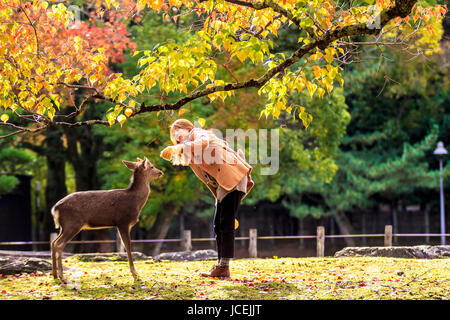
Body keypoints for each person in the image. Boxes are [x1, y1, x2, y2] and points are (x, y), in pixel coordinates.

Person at [160, 119, 254, 278]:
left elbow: (204, 141)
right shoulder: (191, 153)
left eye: (178, 132)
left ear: (187, 128)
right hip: (224, 185)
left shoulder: (198, 133)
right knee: (219, 224)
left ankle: (223, 266)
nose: (177, 137)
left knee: (225, 223)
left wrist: (178, 147)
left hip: (233, 177)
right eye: (174, 136)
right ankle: (221, 266)